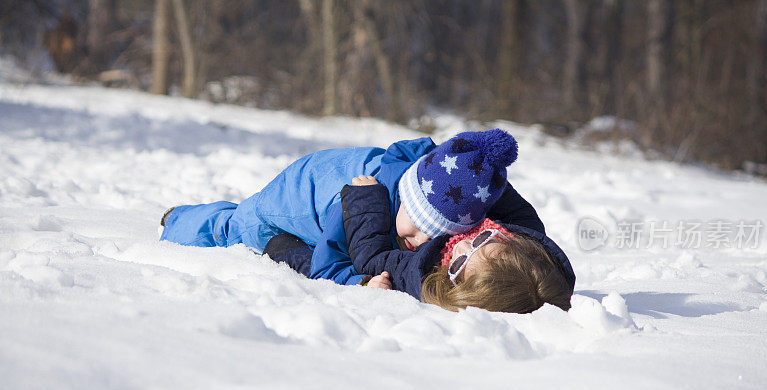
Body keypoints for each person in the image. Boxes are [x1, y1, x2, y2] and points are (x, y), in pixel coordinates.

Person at [161, 129, 531, 286]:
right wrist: (360, 281)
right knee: (238, 228)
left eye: (431, 234)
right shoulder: (359, 199)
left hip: (332, 172)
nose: (418, 240)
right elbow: (327, 264)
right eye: (416, 225)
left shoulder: (436, 180)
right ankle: (176, 219)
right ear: (405, 196)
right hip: (295, 197)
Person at [336, 175, 575, 312]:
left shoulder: (422, 274)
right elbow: (498, 188)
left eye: (459, 264)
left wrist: (366, 200)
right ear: (514, 243)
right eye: (482, 240)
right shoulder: (524, 232)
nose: (462, 246)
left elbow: (370, 257)